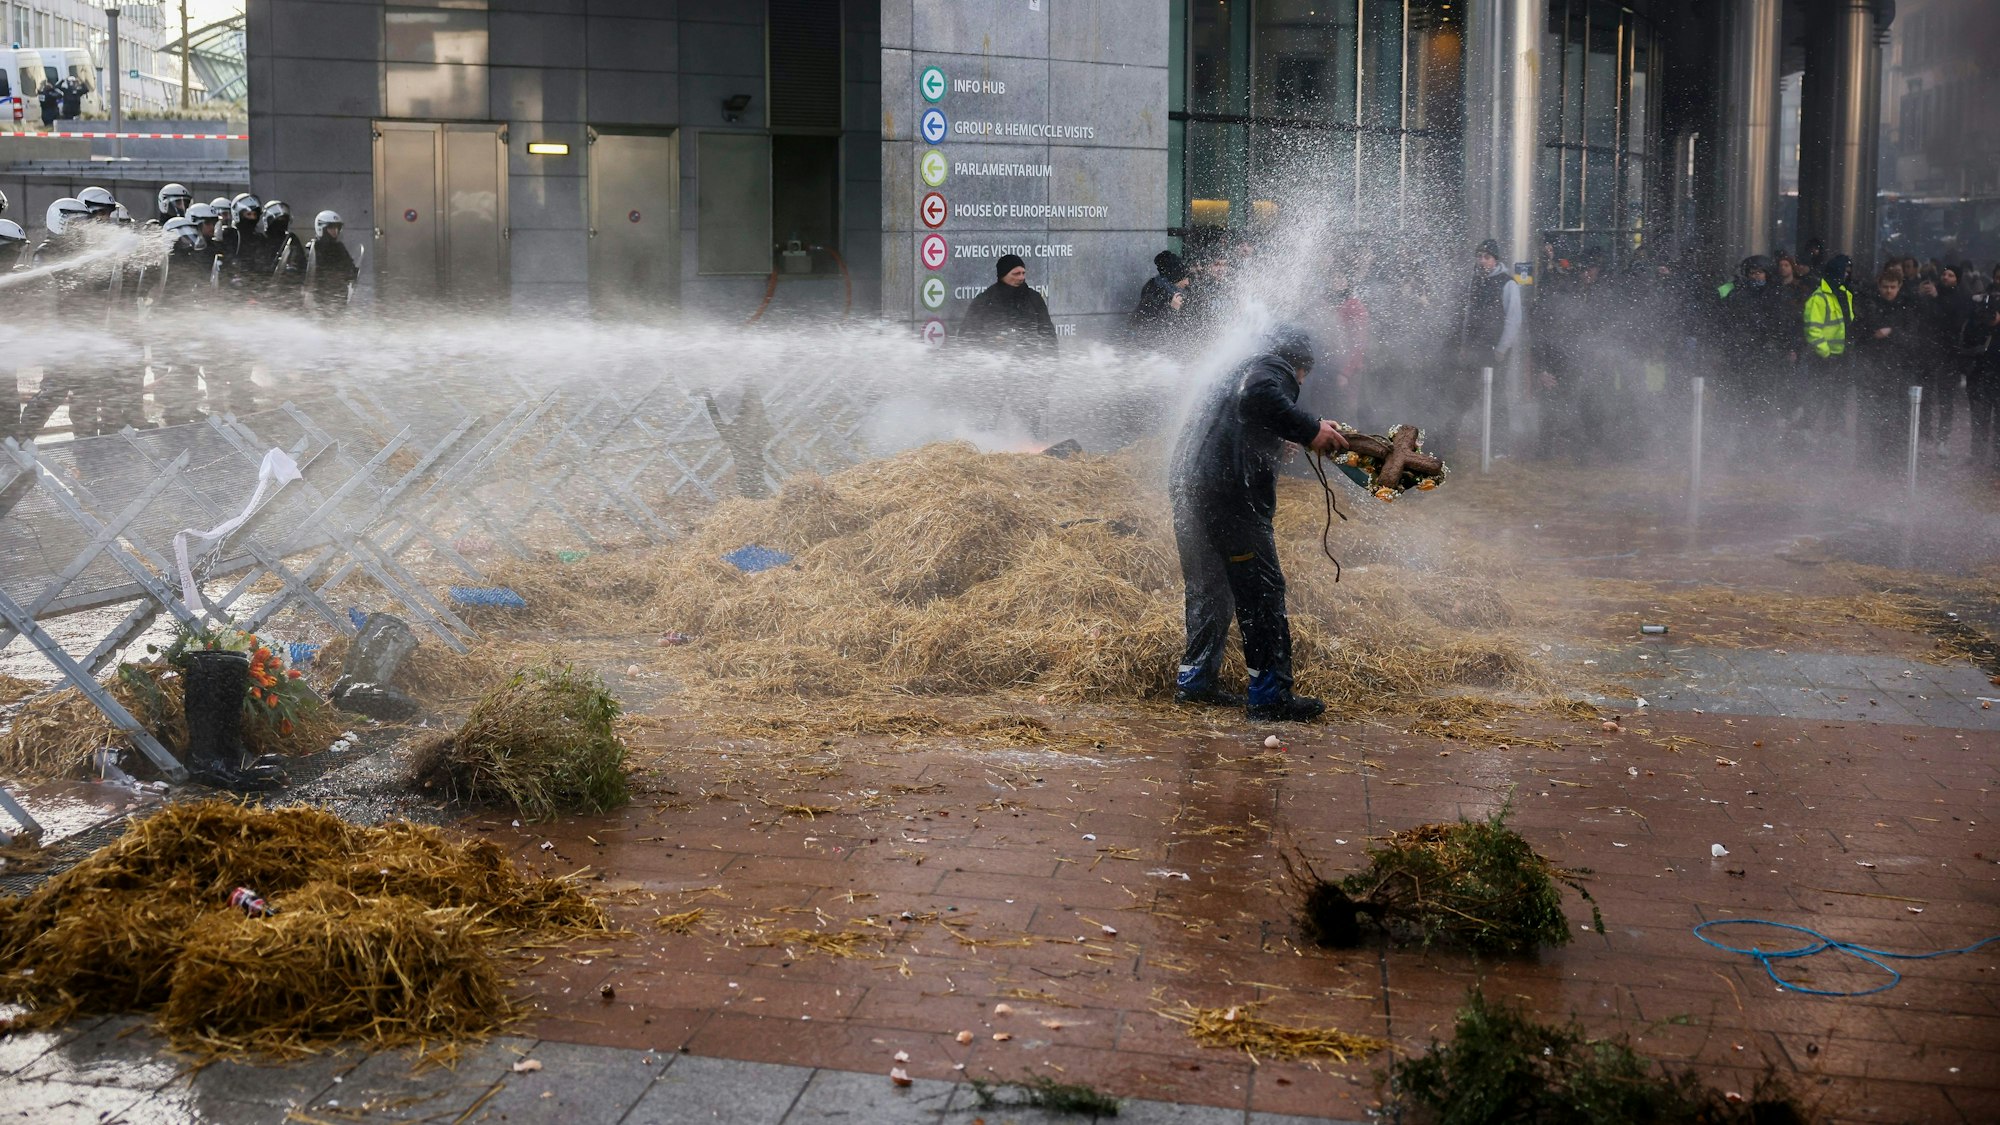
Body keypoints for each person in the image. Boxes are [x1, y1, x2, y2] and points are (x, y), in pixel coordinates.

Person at [1170, 328, 1349, 723]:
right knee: (1261, 590)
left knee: (1210, 585)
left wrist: (1280, 435)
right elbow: (1259, 396)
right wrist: (1308, 429)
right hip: (1230, 497)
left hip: (1189, 488)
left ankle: (1195, 681)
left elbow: (1241, 417)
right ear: (1301, 366)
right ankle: (1270, 695)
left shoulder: (1233, 370)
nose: (1298, 384)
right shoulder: (1273, 368)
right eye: (1302, 377)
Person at [1452, 239, 1522, 457]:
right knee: (1466, 392)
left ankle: (1500, 446)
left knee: (1497, 397)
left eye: (1487, 257)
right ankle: (1459, 438)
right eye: (1479, 256)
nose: (1482, 261)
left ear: (1496, 260)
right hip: (1474, 349)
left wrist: (1501, 348)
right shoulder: (1474, 282)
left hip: (1495, 351)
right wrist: (1464, 345)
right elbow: (1467, 317)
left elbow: (1513, 319)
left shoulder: (1508, 283)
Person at [1800, 253, 1858, 436]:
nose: (1847, 275)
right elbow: (1813, 330)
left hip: (1841, 357)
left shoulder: (1844, 293)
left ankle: (1830, 435)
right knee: (1817, 399)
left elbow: (1847, 323)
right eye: (1845, 271)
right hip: (1823, 359)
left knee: (1837, 399)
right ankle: (1805, 435)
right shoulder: (1819, 298)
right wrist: (1825, 353)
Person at [959, 253, 1056, 350]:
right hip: (994, 361)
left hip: (1030, 360)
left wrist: (1051, 361)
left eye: (1023, 273)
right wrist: (992, 340)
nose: (1021, 277)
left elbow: (1048, 334)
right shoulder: (985, 300)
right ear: (1003, 275)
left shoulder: (1034, 298)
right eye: (1016, 274)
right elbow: (967, 335)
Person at [300, 209, 360, 313]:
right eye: (331, 228)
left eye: (337, 228)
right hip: (318, 299)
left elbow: (349, 267)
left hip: (339, 297)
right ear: (321, 228)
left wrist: (352, 273)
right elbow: (308, 272)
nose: (335, 231)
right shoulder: (313, 248)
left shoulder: (340, 248)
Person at [1127, 250, 1190, 344]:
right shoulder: (1155, 293)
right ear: (1174, 276)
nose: (1187, 282)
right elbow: (1154, 328)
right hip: (1148, 348)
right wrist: (1172, 309)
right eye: (1184, 278)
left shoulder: (1172, 291)